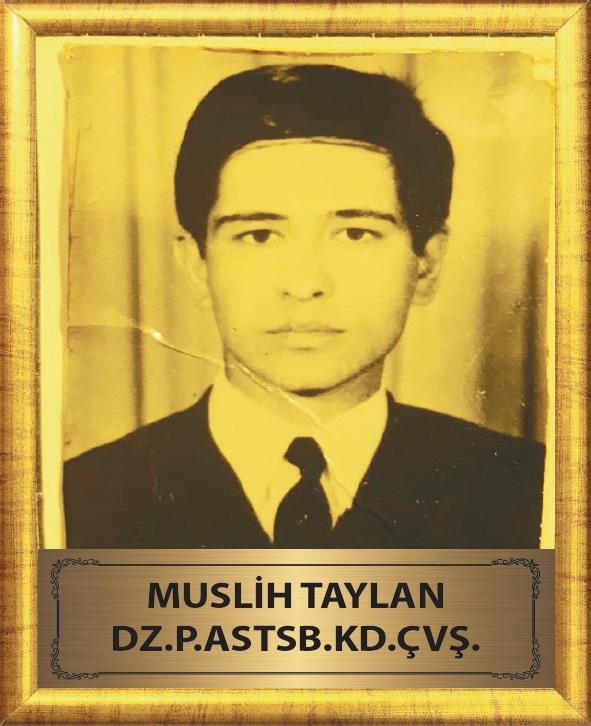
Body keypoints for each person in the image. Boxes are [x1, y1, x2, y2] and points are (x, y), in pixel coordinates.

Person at [64, 64, 544, 548]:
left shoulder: (531, 494)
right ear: (197, 267)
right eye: (259, 235)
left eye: (355, 234)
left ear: (426, 265)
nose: (305, 283)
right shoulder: (77, 502)